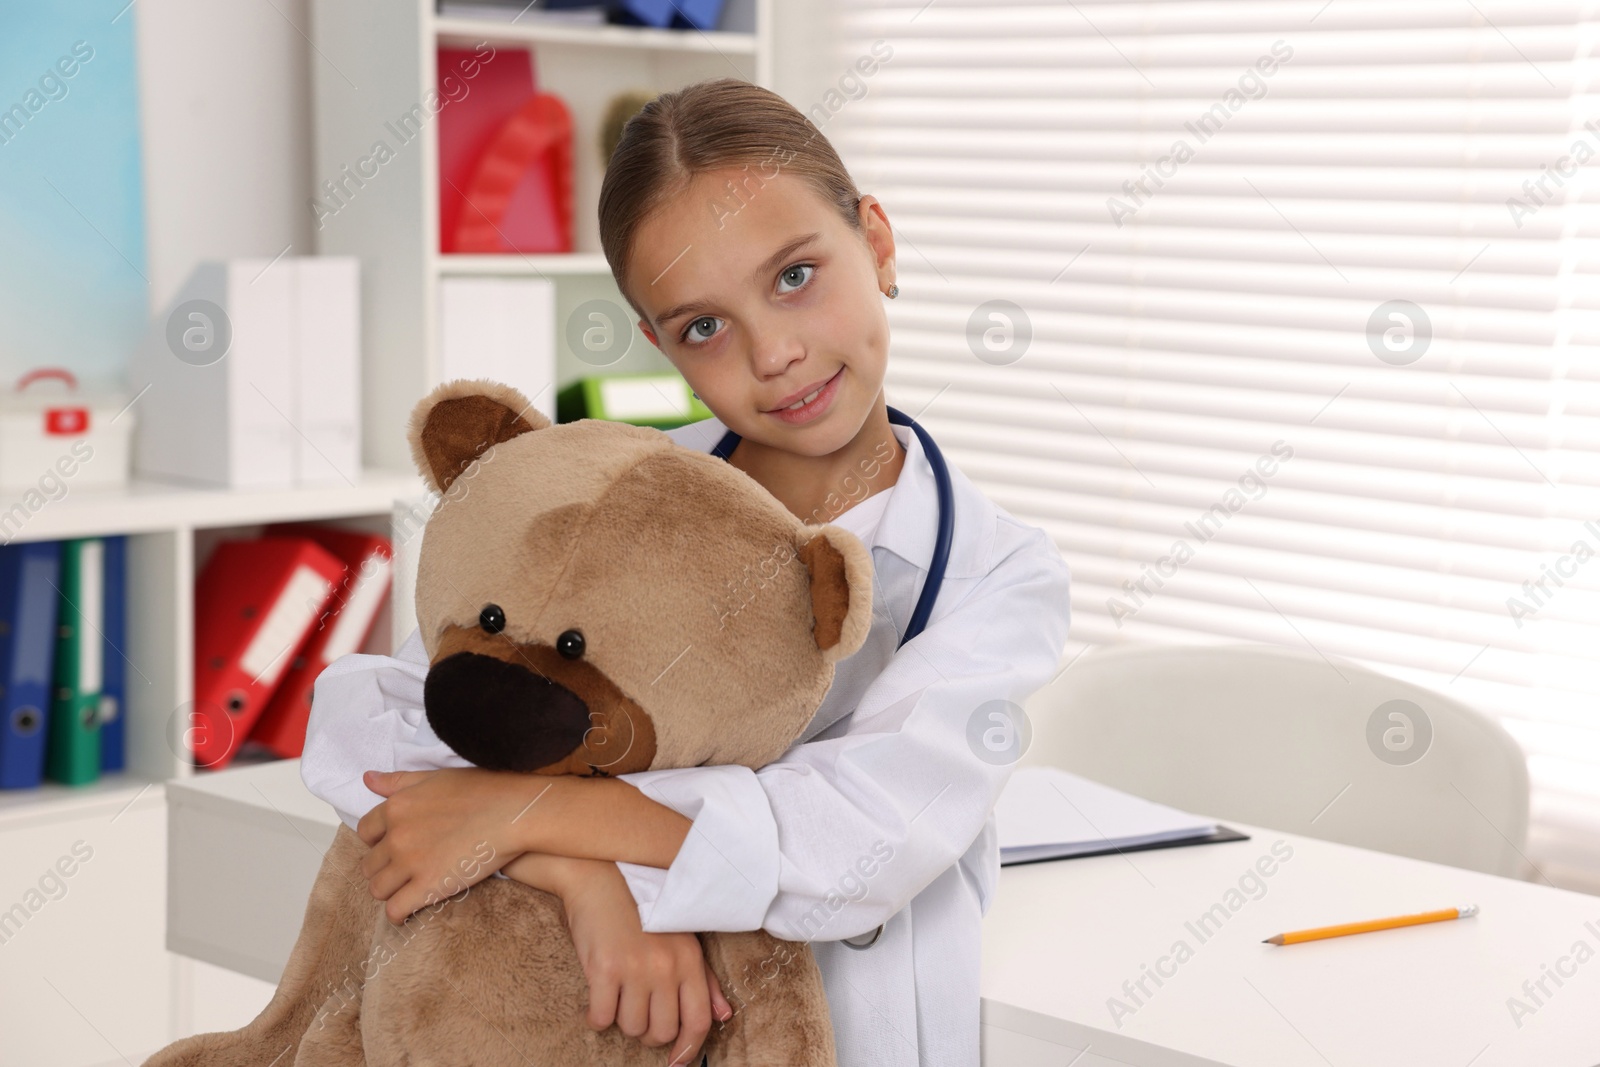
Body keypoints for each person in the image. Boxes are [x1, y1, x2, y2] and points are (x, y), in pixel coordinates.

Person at [299, 77, 1073, 1067]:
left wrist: (533, 814)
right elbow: (383, 722)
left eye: (795, 275)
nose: (776, 352)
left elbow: (854, 846)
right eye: (703, 326)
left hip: (860, 1019)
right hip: (602, 1017)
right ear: (659, 344)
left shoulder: (999, 572)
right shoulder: (607, 496)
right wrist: (589, 880)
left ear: (876, 241)